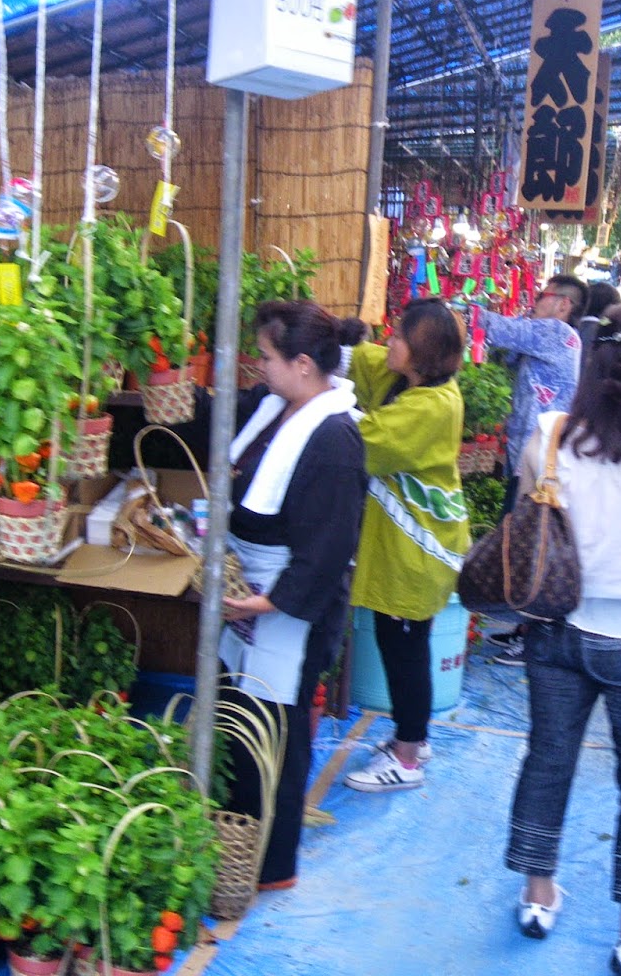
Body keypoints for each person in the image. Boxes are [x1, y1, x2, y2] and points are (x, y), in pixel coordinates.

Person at [217, 302, 367, 891]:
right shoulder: (277, 407)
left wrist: (272, 601)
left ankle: (272, 861)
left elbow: (329, 547)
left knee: (278, 723)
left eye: (266, 357)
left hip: (290, 604)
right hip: (255, 586)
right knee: (244, 715)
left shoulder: (334, 439)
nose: (259, 366)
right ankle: (236, 834)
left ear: (303, 364)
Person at [502, 304, 621, 966]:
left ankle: (538, 892)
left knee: (549, 759)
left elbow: (528, 522)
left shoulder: (550, 435)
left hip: (556, 626)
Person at [343, 298, 470, 792]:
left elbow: (362, 441)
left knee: (404, 648)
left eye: (399, 337)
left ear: (420, 355)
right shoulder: (415, 382)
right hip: (416, 544)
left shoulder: (431, 406)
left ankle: (408, 757)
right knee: (404, 643)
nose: (389, 341)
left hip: (418, 551)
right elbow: (363, 360)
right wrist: (338, 339)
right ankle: (411, 736)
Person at [479, 276, 586, 665]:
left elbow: (500, 329)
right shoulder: (550, 337)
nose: (535, 301)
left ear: (563, 305)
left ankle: (534, 640)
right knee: (525, 541)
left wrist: (458, 311)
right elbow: (504, 351)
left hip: (542, 462)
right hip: (530, 456)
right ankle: (525, 628)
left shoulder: (557, 332)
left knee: (533, 548)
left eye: (542, 296)